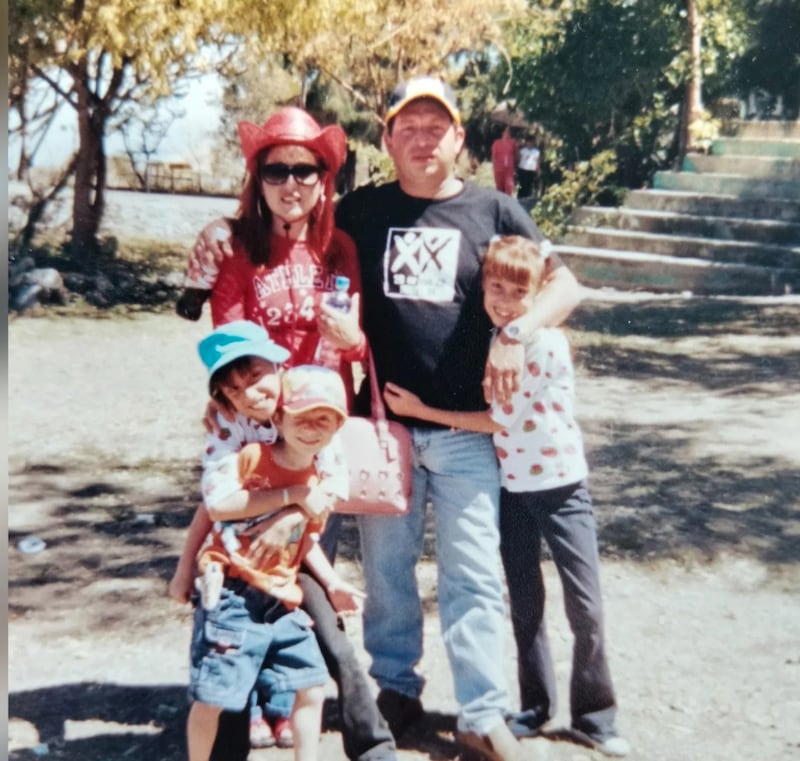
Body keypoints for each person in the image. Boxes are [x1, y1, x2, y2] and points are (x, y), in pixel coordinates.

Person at [188, 76, 583, 761]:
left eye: (437, 128)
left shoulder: (495, 208)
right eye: (409, 128)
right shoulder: (363, 212)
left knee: (472, 572)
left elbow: (566, 284)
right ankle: (394, 690)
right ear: (388, 140)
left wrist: (518, 334)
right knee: (388, 576)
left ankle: (482, 712)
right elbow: (287, 218)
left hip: (464, 430)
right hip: (381, 432)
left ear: (459, 138)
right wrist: (220, 230)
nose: (423, 140)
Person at [173, 107, 397, 761]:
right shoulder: (236, 248)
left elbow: (352, 343)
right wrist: (260, 411)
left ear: (326, 179)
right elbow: (234, 349)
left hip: (317, 428)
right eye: (277, 170)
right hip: (257, 423)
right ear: (258, 178)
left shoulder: (338, 249)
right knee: (248, 558)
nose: (291, 183)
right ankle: (244, 708)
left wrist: (352, 342)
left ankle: (302, 705)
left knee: (302, 554)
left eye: (306, 169)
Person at [382, 235, 630, 757]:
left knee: (584, 603)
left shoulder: (541, 344)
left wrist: (422, 412)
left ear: (538, 293)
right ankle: (535, 707)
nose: (506, 301)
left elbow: (498, 420)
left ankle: (595, 716)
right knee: (525, 602)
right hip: (513, 487)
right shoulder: (492, 339)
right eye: (496, 288)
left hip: (560, 487)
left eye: (520, 292)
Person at [187, 341, 365, 761]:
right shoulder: (244, 447)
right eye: (233, 389)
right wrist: (294, 496)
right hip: (234, 584)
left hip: (282, 588)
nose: (249, 394)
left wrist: (332, 580)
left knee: (314, 681)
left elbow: (309, 533)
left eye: (255, 378)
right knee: (217, 695)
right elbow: (215, 506)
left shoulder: (316, 439)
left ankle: (366, 746)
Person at [491, 126, 518, 195]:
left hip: (509, 168)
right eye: (505, 131)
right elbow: (493, 156)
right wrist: (494, 167)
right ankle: (499, 200)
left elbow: (516, 155)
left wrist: (514, 165)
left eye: (509, 132)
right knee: (499, 186)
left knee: (509, 186)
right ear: (502, 133)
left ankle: (507, 200)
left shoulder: (513, 143)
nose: (507, 133)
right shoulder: (497, 143)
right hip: (499, 167)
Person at [516, 135, 540, 200]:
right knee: (522, 185)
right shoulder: (523, 151)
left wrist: (538, 170)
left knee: (529, 186)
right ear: (526, 143)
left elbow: (537, 162)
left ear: (533, 143)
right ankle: (519, 198)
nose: (529, 144)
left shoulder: (536, 152)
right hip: (522, 170)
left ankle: (526, 198)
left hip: (530, 171)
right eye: (528, 143)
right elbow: (518, 159)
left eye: (531, 143)